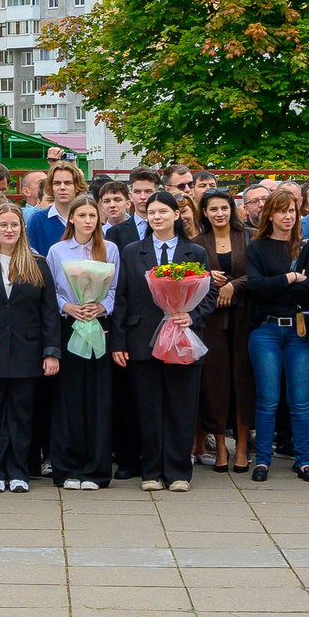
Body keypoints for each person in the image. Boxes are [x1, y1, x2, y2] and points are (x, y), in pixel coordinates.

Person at [113, 190, 214, 491]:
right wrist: (119, 342)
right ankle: (151, 471)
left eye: (163, 212)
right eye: (152, 212)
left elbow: (208, 294)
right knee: (148, 407)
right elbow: (122, 298)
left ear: (176, 215)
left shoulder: (194, 252)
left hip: (182, 339)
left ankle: (178, 471)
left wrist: (191, 315)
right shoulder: (132, 251)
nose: (157, 217)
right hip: (143, 338)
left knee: (181, 406)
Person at [0, 204, 60, 492]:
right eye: (3, 224)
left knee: (22, 414)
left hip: (27, 350)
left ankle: (19, 470)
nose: (9, 230)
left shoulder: (37, 263)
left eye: (14, 225)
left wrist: (51, 351)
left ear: (22, 229)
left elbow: (49, 312)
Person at [243, 185, 309, 482]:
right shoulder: (257, 246)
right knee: (267, 400)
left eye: (291, 210)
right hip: (266, 330)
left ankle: (304, 460)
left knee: (301, 401)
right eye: (281, 211)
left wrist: (276, 285)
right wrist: (290, 277)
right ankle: (263, 460)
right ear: (270, 214)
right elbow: (256, 287)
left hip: (300, 332)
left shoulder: (306, 246)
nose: (287, 216)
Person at [46, 195, 118, 489]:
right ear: (71, 219)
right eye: (83, 215)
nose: (88, 221)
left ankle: (96, 470)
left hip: (98, 327)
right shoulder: (57, 250)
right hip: (69, 327)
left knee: (98, 399)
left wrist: (102, 307)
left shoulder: (109, 249)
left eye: (93, 215)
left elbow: (115, 288)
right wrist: (67, 306)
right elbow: (49, 290)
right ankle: (67, 468)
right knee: (68, 399)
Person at [191, 189, 252, 473]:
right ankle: (220, 447)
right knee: (214, 384)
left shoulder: (249, 237)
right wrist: (206, 277)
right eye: (213, 209)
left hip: (243, 320)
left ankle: (241, 445)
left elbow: (259, 274)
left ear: (233, 210)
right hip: (211, 322)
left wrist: (232, 284)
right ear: (204, 212)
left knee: (242, 382)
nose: (219, 214)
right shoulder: (197, 243)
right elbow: (188, 280)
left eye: (224, 208)